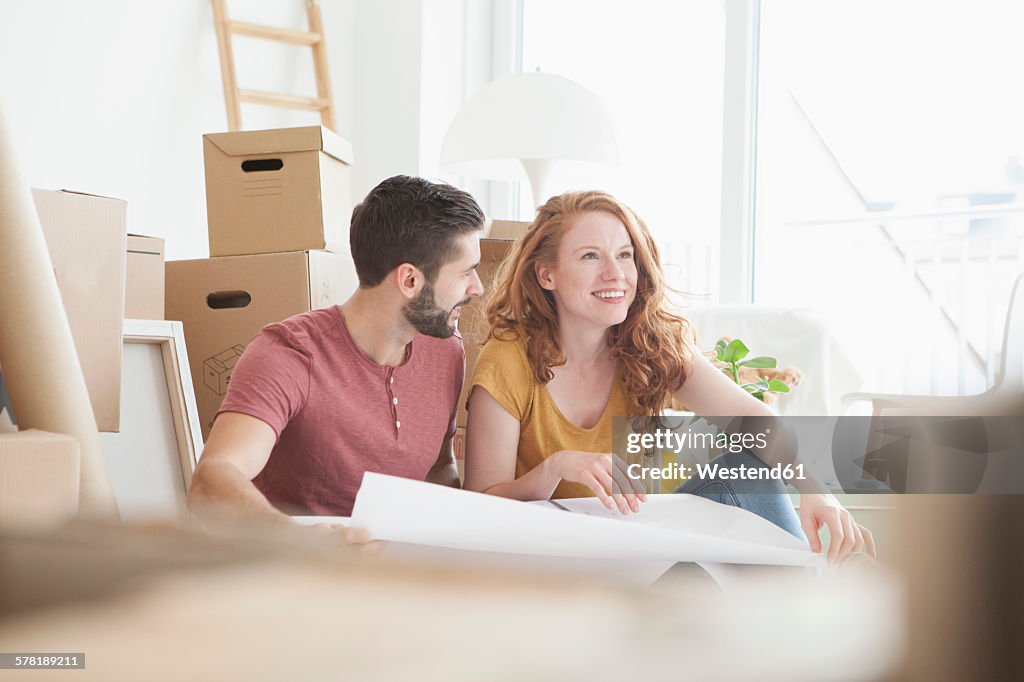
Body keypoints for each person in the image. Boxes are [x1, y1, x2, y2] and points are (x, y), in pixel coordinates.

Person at [463, 190, 875, 565]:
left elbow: (755, 420)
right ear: (546, 275)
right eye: (590, 256)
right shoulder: (508, 360)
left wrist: (815, 491)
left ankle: (798, 608)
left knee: (746, 468)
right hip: (555, 559)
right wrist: (556, 469)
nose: (615, 274)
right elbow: (479, 506)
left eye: (625, 255)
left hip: (640, 549)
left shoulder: (650, 343)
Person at [188, 175, 486, 542]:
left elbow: (440, 467)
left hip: (394, 575)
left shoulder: (445, 350)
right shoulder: (289, 354)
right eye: (466, 272)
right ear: (409, 280)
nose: (478, 287)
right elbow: (212, 479)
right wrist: (304, 543)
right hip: (292, 574)